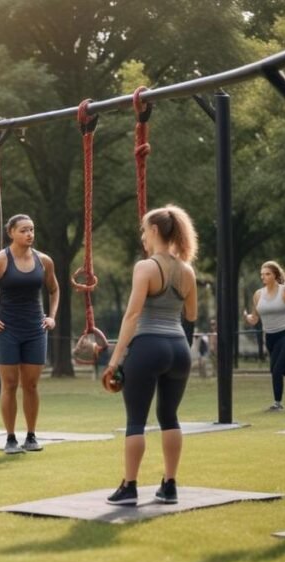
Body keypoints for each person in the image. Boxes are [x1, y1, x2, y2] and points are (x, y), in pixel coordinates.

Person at [103, 204, 199, 506]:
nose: (143, 236)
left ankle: (129, 487)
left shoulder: (145, 268)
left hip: (147, 348)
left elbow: (132, 317)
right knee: (169, 417)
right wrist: (182, 350)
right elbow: (191, 317)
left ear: (155, 231)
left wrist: (114, 360)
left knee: (136, 421)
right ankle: (170, 485)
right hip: (179, 349)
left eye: (144, 230)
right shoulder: (188, 270)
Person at [0, 214, 59, 454]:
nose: (29, 234)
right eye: (23, 230)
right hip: (7, 329)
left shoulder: (44, 261)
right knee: (9, 384)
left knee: (30, 385)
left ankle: (31, 436)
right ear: (11, 233)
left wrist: (51, 316)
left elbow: (54, 289)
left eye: (31, 229)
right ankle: (10, 438)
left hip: (35, 329)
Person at [243, 261, 285, 410]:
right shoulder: (258, 294)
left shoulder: (284, 291)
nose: (264, 277)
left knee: (277, 369)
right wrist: (247, 317)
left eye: (267, 274)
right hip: (271, 338)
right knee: (282, 368)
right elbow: (255, 318)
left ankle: (277, 404)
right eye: (262, 274)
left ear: (275, 275)